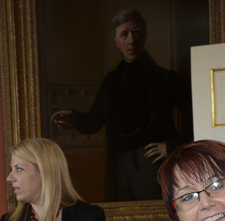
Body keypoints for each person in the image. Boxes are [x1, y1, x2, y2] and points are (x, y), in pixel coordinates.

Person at [51, 9, 192, 202]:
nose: (131, 40)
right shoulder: (111, 82)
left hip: (155, 165)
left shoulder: (166, 78)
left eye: (136, 32)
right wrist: (74, 118)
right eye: (124, 34)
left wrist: (171, 146)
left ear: (144, 35)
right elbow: (93, 122)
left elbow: (199, 116)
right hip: (119, 167)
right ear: (116, 40)